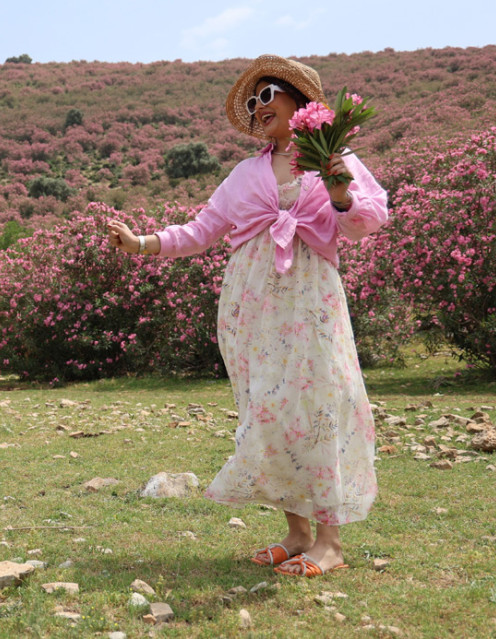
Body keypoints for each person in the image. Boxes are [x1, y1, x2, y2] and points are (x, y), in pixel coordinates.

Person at [107, 55, 388, 577]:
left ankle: (331, 541)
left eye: (269, 95)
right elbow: (201, 230)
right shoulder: (244, 174)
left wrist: (340, 191)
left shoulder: (336, 157)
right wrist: (141, 242)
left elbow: (370, 220)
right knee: (270, 409)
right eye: (253, 101)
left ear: (301, 104)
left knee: (321, 404)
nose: (260, 108)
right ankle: (297, 533)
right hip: (254, 307)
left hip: (312, 301)